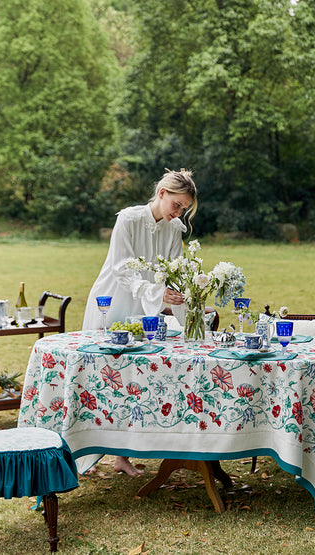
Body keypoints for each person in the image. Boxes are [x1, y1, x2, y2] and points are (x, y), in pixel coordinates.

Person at [82, 168, 197, 476]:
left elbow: (175, 269)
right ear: (162, 194)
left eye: (184, 209)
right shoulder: (129, 219)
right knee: (103, 377)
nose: (179, 213)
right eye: (177, 205)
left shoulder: (173, 229)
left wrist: (182, 293)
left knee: (137, 378)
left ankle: (122, 456)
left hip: (149, 308)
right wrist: (154, 291)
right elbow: (121, 268)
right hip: (115, 301)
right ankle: (85, 448)